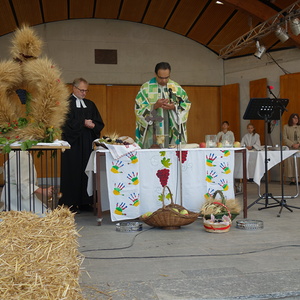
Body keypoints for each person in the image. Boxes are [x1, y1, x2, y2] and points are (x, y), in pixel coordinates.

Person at [59, 78, 105, 212]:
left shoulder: (90, 104)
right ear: (73, 88)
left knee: (87, 171)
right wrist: (83, 123)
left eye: (86, 90)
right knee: (72, 171)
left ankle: (86, 201)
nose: (84, 93)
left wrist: (93, 125)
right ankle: (71, 202)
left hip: (86, 144)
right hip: (72, 144)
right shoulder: (66, 103)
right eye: (82, 90)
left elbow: (99, 123)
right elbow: (64, 123)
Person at [135, 62, 191, 149]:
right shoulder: (145, 88)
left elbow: (186, 104)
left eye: (166, 77)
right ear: (155, 74)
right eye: (161, 78)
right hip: (152, 134)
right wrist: (154, 106)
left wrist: (174, 107)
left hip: (172, 133)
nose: (164, 81)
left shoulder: (176, 88)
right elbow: (139, 110)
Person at [283, 113, 300, 185]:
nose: (296, 119)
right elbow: (284, 138)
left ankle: (299, 179)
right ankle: (292, 179)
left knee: (299, 162)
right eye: (294, 118)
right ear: (291, 119)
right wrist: (292, 144)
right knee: (291, 163)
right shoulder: (286, 127)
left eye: (297, 118)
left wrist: (298, 144)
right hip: (290, 147)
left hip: (299, 146)